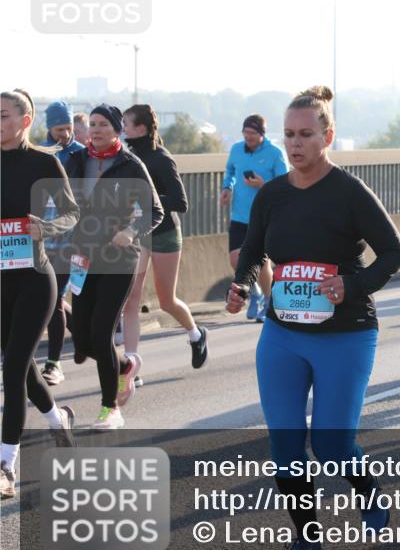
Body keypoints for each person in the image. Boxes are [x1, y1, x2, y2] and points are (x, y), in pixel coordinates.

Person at [227, 86, 400, 550]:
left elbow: (394, 252)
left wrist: (352, 284)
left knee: (331, 447)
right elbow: (253, 249)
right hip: (283, 334)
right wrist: (241, 285)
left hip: (346, 334)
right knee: (285, 442)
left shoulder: (349, 191)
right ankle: (307, 541)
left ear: (327, 136)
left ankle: (365, 485)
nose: (295, 143)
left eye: (306, 134)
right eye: (288, 134)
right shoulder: (273, 195)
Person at [64, 104, 164, 429]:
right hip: (84, 256)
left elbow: (155, 211)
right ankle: (124, 366)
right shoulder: (77, 161)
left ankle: (111, 409)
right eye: (92, 124)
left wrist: (131, 231)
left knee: (102, 332)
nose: (95, 129)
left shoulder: (131, 165)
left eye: (103, 124)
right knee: (81, 338)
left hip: (119, 259)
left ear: (117, 129)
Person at [1, 90, 79, 500]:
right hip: (0, 283)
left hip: (34, 278)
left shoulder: (43, 162)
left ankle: (6, 466)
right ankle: (58, 422)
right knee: (22, 368)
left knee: (12, 371)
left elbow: (70, 213)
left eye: (2, 116)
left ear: (25, 120)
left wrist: (44, 228)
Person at [120, 104, 208, 370]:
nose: (122, 128)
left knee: (166, 300)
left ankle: (196, 334)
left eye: (126, 123)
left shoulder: (161, 158)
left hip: (165, 234)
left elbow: (181, 202)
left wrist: (149, 202)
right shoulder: (127, 156)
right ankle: (132, 365)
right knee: (131, 298)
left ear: (141, 128)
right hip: (137, 234)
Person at [220, 115, 288, 322]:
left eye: (252, 133)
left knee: (262, 264)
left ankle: (269, 302)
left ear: (262, 134)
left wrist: (263, 184)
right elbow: (230, 170)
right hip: (239, 214)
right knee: (235, 260)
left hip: (264, 216)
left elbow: (285, 184)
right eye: (245, 133)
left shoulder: (275, 154)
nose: (248, 137)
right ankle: (256, 294)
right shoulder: (236, 149)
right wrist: (227, 187)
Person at [40, 101, 85, 386]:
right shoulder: (38, 154)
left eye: (69, 128)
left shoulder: (83, 155)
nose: (66, 134)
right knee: (49, 300)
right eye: (60, 129)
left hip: (75, 239)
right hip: (41, 239)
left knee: (56, 300)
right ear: (48, 128)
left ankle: (54, 363)